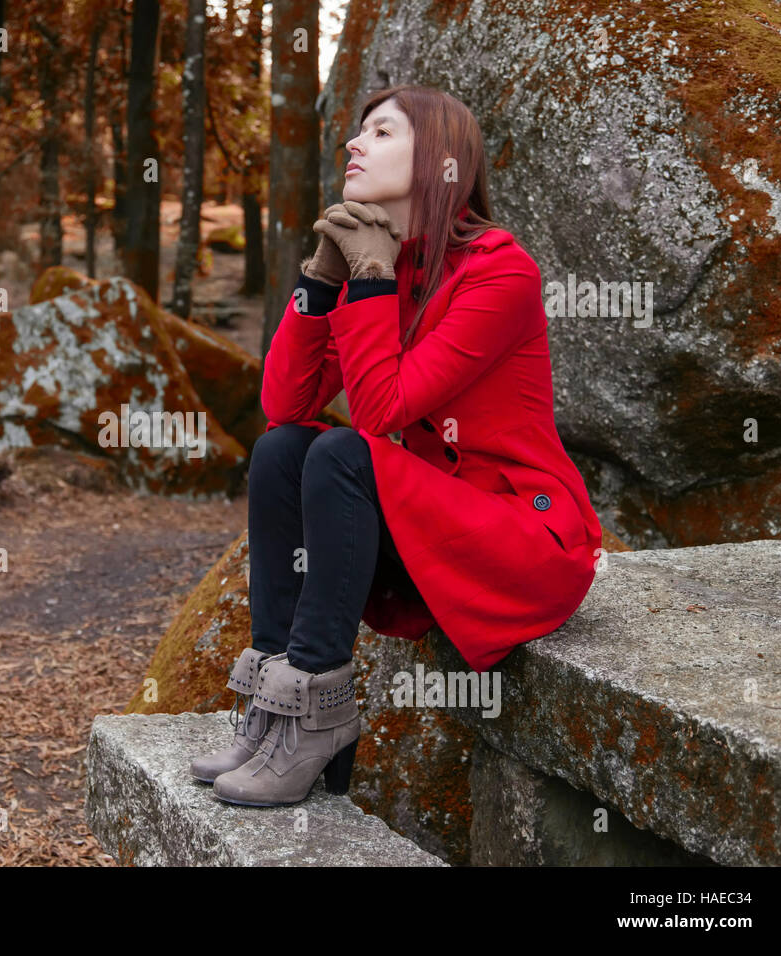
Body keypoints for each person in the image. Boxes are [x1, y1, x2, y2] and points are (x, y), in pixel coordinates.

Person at [190, 85, 604, 808]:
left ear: (439, 160)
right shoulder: (380, 265)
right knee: (285, 449)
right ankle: (274, 708)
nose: (353, 144)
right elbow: (285, 405)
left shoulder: (501, 272)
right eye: (358, 132)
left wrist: (370, 280)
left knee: (343, 455)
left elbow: (380, 414)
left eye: (380, 133)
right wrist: (321, 283)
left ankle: (319, 717)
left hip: (520, 539)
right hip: (429, 531)